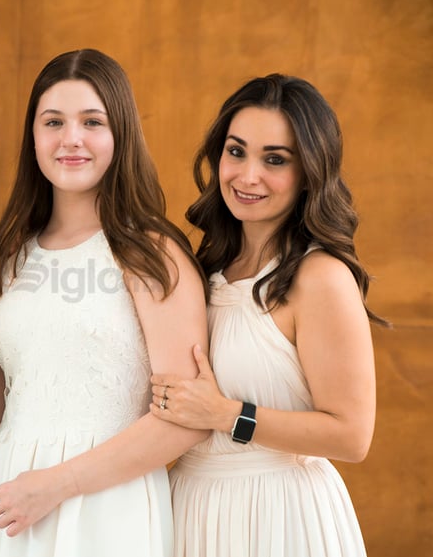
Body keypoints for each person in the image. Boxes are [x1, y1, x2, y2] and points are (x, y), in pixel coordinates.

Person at [0, 49, 209, 557]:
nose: (71, 138)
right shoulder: (10, 253)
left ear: (121, 134)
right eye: (53, 122)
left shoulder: (151, 253)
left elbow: (187, 420)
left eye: (92, 121)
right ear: (34, 137)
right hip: (5, 506)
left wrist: (55, 485)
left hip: (107, 505)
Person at [148, 74, 387, 556]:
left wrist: (226, 414)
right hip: (194, 505)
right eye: (236, 152)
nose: (247, 175)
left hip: (282, 514)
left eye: (274, 160)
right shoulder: (205, 270)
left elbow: (352, 435)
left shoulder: (320, 277)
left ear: (309, 173)